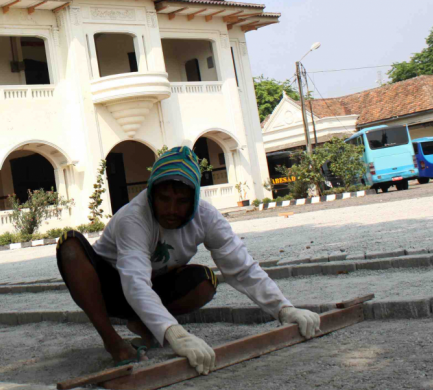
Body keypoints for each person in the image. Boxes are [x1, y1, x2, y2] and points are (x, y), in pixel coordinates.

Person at [56, 146, 320, 373]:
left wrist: (285, 309)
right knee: (69, 245)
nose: (172, 209)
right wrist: (175, 333)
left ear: (194, 198)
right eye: (164, 199)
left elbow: (241, 267)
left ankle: (145, 325)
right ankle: (113, 341)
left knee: (204, 281)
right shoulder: (133, 218)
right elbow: (134, 282)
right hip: (110, 289)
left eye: (182, 201)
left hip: (153, 287)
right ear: (151, 194)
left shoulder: (207, 216)